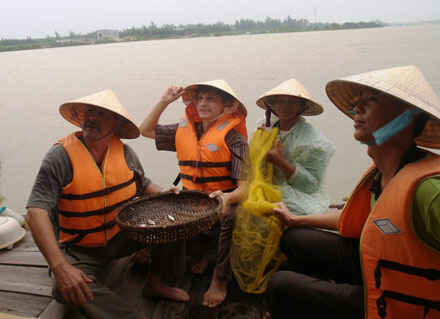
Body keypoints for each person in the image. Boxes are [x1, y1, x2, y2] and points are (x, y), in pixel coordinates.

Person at [265, 65, 440, 319]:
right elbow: (361, 220)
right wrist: (295, 219)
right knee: (294, 237)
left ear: (408, 116)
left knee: (280, 285)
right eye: (357, 101)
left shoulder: (428, 190)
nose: (356, 108)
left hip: (402, 305)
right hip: (379, 270)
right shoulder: (382, 173)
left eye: (373, 100)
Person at [26, 89, 174, 319]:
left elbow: (142, 184)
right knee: (66, 289)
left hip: (121, 235)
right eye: (89, 112)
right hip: (79, 248)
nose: (91, 118)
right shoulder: (60, 156)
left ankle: (155, 283)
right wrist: (60, 267)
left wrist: (167, 194)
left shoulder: (125, 152)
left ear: (116, 124)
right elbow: (36, 211)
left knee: (170, 223)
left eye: (101, 114)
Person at [139, 80, 248, 307]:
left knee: (232, 215)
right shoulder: (183, 131)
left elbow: (245, 187)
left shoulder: (234, 138)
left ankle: (219, 279)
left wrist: (227, 198)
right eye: (199, 98)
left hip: (221, 200)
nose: (203, 103)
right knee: (160, 207)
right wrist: (164, 101)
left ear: (226, 106)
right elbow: (145, 130)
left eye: (211, 99)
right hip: (192, 199)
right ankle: (156, 279)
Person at [255, 78, 335, 215]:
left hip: (298, 198)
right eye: (280, 101)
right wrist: (259, 143)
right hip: (264, 188)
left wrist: (280, 162)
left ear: (302, 107)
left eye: (291, 102)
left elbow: (310, 185)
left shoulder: (315, 141)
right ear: (272, 105)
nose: (284, 106)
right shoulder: (266, 126)